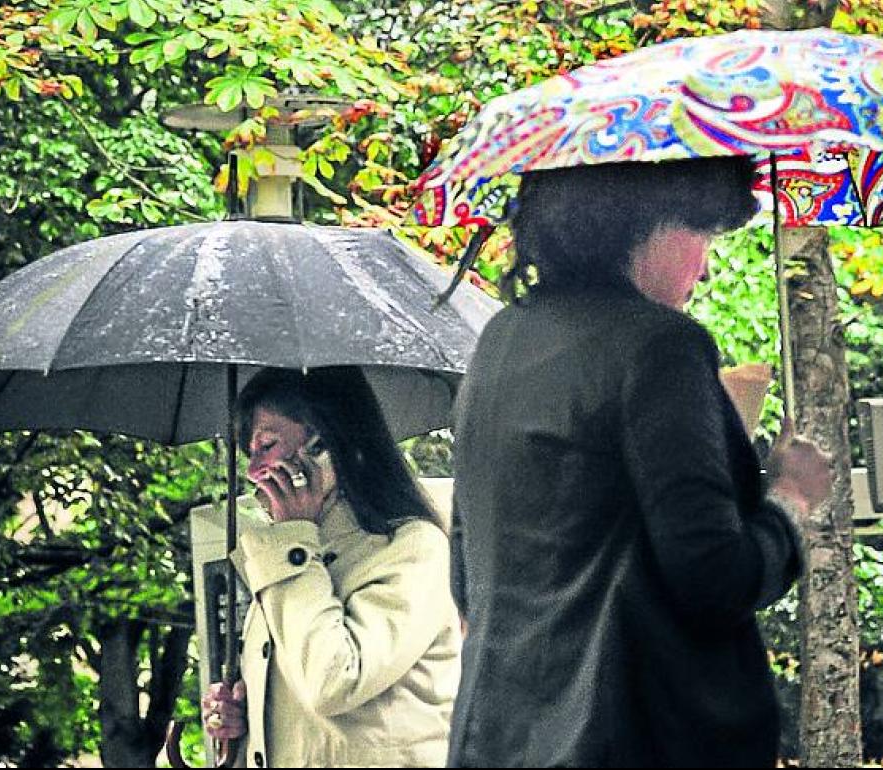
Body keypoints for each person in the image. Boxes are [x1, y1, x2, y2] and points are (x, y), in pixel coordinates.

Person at [447, 157, 834, 767]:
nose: (704, 269)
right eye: (702, 233)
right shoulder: (659, 347)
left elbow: (469, 572)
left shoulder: (499, 341)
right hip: (627, 738)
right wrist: (790, 500)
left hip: (497, 739)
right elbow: (714, 575)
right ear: (644, 224)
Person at [199, 367, 462, 767]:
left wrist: (292, 541)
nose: (253, 471)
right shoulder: (292, 556)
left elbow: (333, 682)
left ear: (328, 447)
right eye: (249, 453)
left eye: (266, 446)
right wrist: (246, 716)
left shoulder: (413, 549)